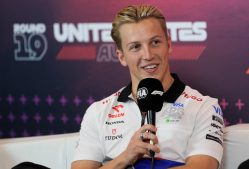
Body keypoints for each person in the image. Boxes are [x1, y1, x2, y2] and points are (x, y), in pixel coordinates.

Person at [71, 4, 224, 169]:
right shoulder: (98, 111)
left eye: (155, 42)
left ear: (169, 45)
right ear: (121, 56)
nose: (148, 55)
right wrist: (126, 157)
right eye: (135, 47)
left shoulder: (204, 107)